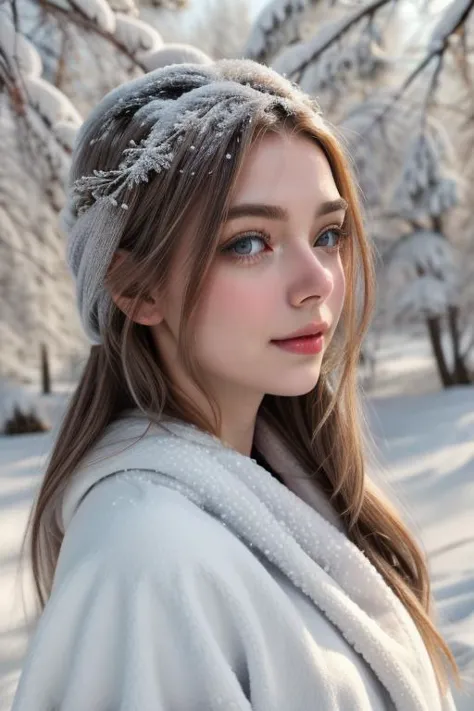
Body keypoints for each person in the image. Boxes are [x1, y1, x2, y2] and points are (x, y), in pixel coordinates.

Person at [12, 58, 459, 711]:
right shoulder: (148, 558)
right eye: (250, 242)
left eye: (327, 233)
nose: (318, 282)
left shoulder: (286, 489)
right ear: (135, 289)